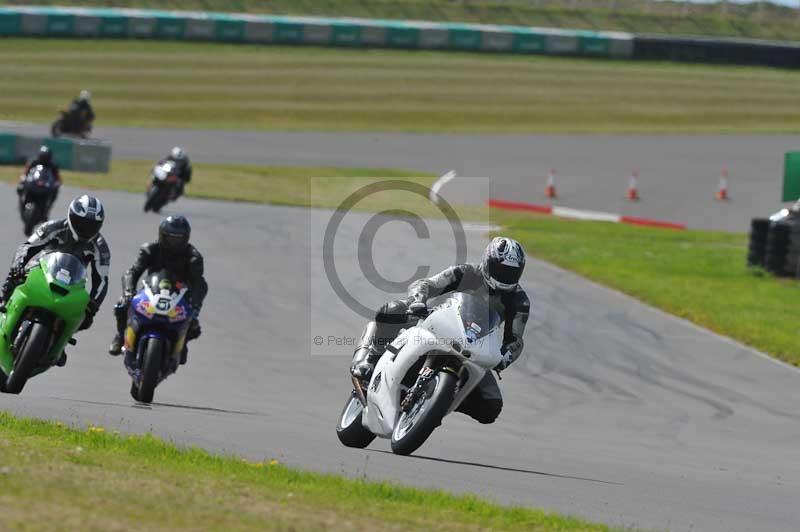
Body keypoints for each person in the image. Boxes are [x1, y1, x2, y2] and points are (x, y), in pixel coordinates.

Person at [350, 237, 530, 425]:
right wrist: (417, 300)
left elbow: (516, 339)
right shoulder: (467, 272)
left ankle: (436, 403)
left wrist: (505, 357)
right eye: (500, 269)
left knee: (491, 406)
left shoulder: (519, 301)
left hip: (475, 346)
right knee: (391, 311)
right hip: (439, 322)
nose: (504, 276)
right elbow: (427, 284)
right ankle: (371, 358)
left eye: (511, 273)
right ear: (487, 261)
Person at [0, 195, 110, 366]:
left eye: (92, 226)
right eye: (82, 223)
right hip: (40, 270)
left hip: (73, 282)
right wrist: (17, 267)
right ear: (71, 216)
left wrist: (93, 304)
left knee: (85, 318)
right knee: (12, 282)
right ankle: (3, 308)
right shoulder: (53, 227)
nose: (86, 229)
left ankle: (61, 340)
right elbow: (27, 247)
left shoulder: (100, 246)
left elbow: (102, 278)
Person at [108, 215, 207, 363]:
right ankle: (121, 336)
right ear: (162, 235)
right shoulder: (150, 249)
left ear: (186, 238)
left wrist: (195, 307)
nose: (174, 243)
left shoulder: (193, 257)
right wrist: (128, 292)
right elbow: (132, 272)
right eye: (170, 238)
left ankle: (182, 343)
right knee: (122, 305)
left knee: (194, 326)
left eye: (178, 239)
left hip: (179, 297)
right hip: (150, 292)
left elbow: (200, 284)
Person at [17, 145, 62, 210]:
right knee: (21, 186)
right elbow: (26, 171)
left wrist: (57, 183)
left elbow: (58, 177)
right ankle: (22, 200)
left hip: (46, 184)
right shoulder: (33, 162)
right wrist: (23, 177)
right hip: (33, 182)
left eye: (46, 157)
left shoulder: (53, 165)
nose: (44, 159)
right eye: (43, 157)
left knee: (55, 190)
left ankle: (48, 207)